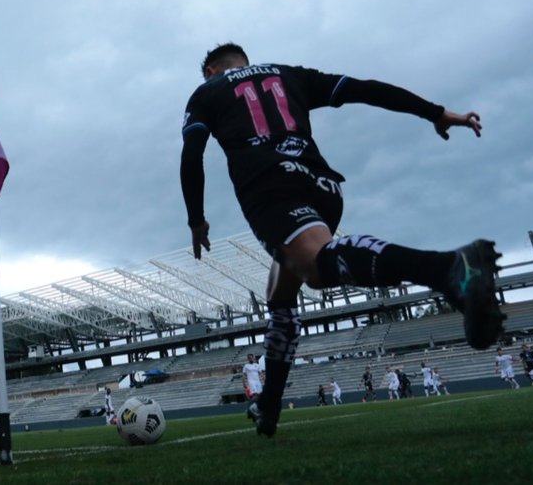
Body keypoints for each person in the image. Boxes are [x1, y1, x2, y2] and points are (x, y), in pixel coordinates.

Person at [180, 43, 504, 437]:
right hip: (322, 186)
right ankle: (268, 406)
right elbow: (364, 89)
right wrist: (435, 113)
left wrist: (196, 219)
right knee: (281, 297)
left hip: (268, 185)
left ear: (213, 70)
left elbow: (191, 153)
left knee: (314, 267)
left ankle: (448, 269)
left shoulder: (206, 92)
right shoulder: (288, 73)